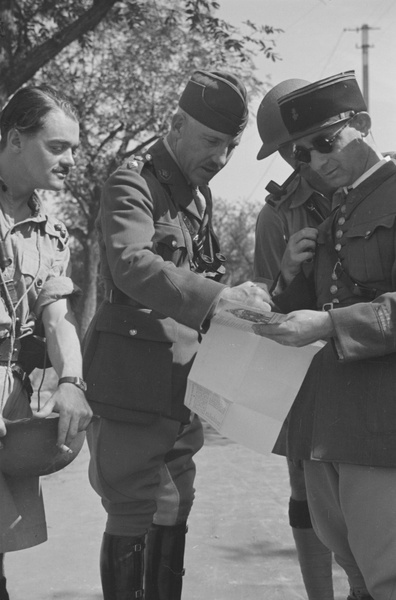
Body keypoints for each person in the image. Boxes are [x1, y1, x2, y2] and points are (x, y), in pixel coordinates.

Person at [82, 70, 272, 600]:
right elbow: (130, 264)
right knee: (133, 506)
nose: (221, 157)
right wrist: (216, 299)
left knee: (175, 502)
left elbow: (197, 277)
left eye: (230, 146)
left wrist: (238, 293)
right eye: (211, 141)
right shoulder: (133, 182)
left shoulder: (196, 195)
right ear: (175, 124)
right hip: (132, 384)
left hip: (183, 385)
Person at [253, 70, 396, 600]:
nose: (315, 162)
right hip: (331, 427)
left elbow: (335, 317)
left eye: (325, 143)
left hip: (383, 433)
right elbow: (308, 307)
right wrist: (288, 277)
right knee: (356, 573)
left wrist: (330, 324)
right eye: (301, 155)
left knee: (386, 578)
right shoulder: (335, 211)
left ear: (361, 123)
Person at [0, 85, 93, 599]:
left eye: (75, 148)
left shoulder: (52, 234)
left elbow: (57, 318)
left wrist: (72, 381)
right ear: (16, 138)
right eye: (58, 147)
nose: (71, 160)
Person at [253, 79, 339, 600]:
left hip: (374, 361)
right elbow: (264, 311)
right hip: (305, 378)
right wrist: (286, 275)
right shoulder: (276, 215)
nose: (296, 157)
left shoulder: (381, 188)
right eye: (287, 149)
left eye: (303, 142)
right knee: (305, 490)